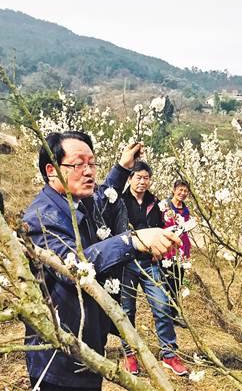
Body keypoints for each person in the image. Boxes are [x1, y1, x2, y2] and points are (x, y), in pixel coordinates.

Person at [23, 131, 181, 391]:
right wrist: (133, 240)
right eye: (78, 164)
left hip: (89, 344)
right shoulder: (42, 217)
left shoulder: (79, 202)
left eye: (92, 163)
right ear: (52, 170)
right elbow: (72, 267)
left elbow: (105, 195)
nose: (88, 172)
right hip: (58, 357)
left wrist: (123, 167)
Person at [120, 162, 189, 376]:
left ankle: (169, 354)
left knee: (162, 306)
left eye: (146, 178)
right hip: (126, 262)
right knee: (127, 310)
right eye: (138, 177)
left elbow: (162, 227)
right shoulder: (120, 202)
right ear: (130, 178)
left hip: (151, 262)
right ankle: (129, 352)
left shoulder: (156, 202)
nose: (142, 182)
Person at [160, 179, 193, 328]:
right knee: (167, 279)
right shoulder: (165, 206)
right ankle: (164, 313)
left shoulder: (185, 210)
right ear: (174, 189)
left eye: (185, 191)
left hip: (182, 248)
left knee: (178, 281)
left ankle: (174, 313)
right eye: (180, 190)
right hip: (168, 247)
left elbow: (185, 227)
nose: (182, 193)